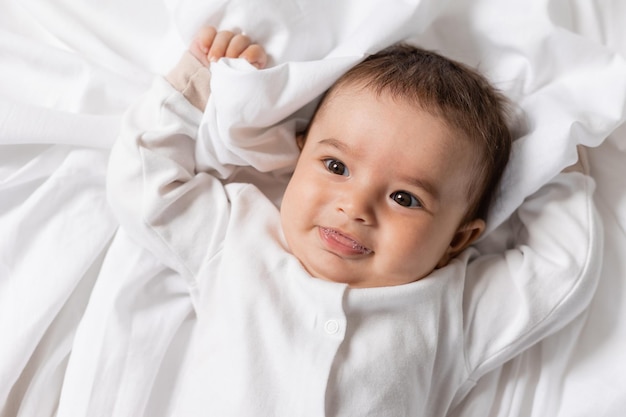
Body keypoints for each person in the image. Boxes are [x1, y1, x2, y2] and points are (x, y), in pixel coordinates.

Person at [107, 26, 601, 416]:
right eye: (336, 167)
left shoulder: (456, 310)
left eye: (406, 198)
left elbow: (560, 271)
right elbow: (146, 189)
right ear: (298, 158)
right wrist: (195, 86)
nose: (356, 207)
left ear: (458, 239)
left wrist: (558, 162)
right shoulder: (236, 239)